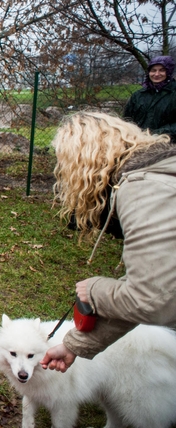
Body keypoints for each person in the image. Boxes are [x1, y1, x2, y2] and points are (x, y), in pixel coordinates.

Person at [40, 111, 176, 373]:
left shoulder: (144, 190)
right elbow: (156, 286)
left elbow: (151, 301)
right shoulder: (157, 177)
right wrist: (74, 345)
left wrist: (95, 291)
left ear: (84, 163)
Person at [124, 55, 176, 142]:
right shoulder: (138, 95)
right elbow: (126, 120)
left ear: (169, 72)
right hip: (139, 143)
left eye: (162, 70)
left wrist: (157, 134)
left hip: (169, 146)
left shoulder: (173, 93)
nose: (156, 74)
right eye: (153, 70)